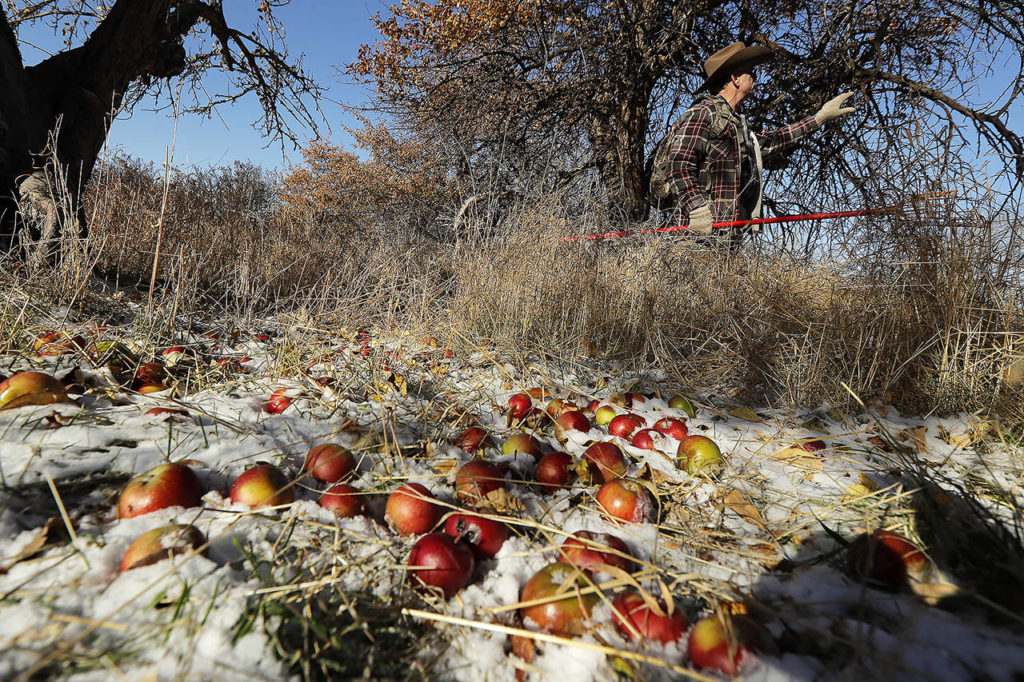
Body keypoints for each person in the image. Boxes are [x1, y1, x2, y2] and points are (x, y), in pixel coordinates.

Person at [664, 41, 855, 246]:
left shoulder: (736, 124)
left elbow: (772, 141)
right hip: (695, 240)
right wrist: (697, 209)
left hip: (727, 241)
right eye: (750, 73)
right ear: (735, 78)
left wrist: (819, 118)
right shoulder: (703, 112)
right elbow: (679, 165)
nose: (755, 78)